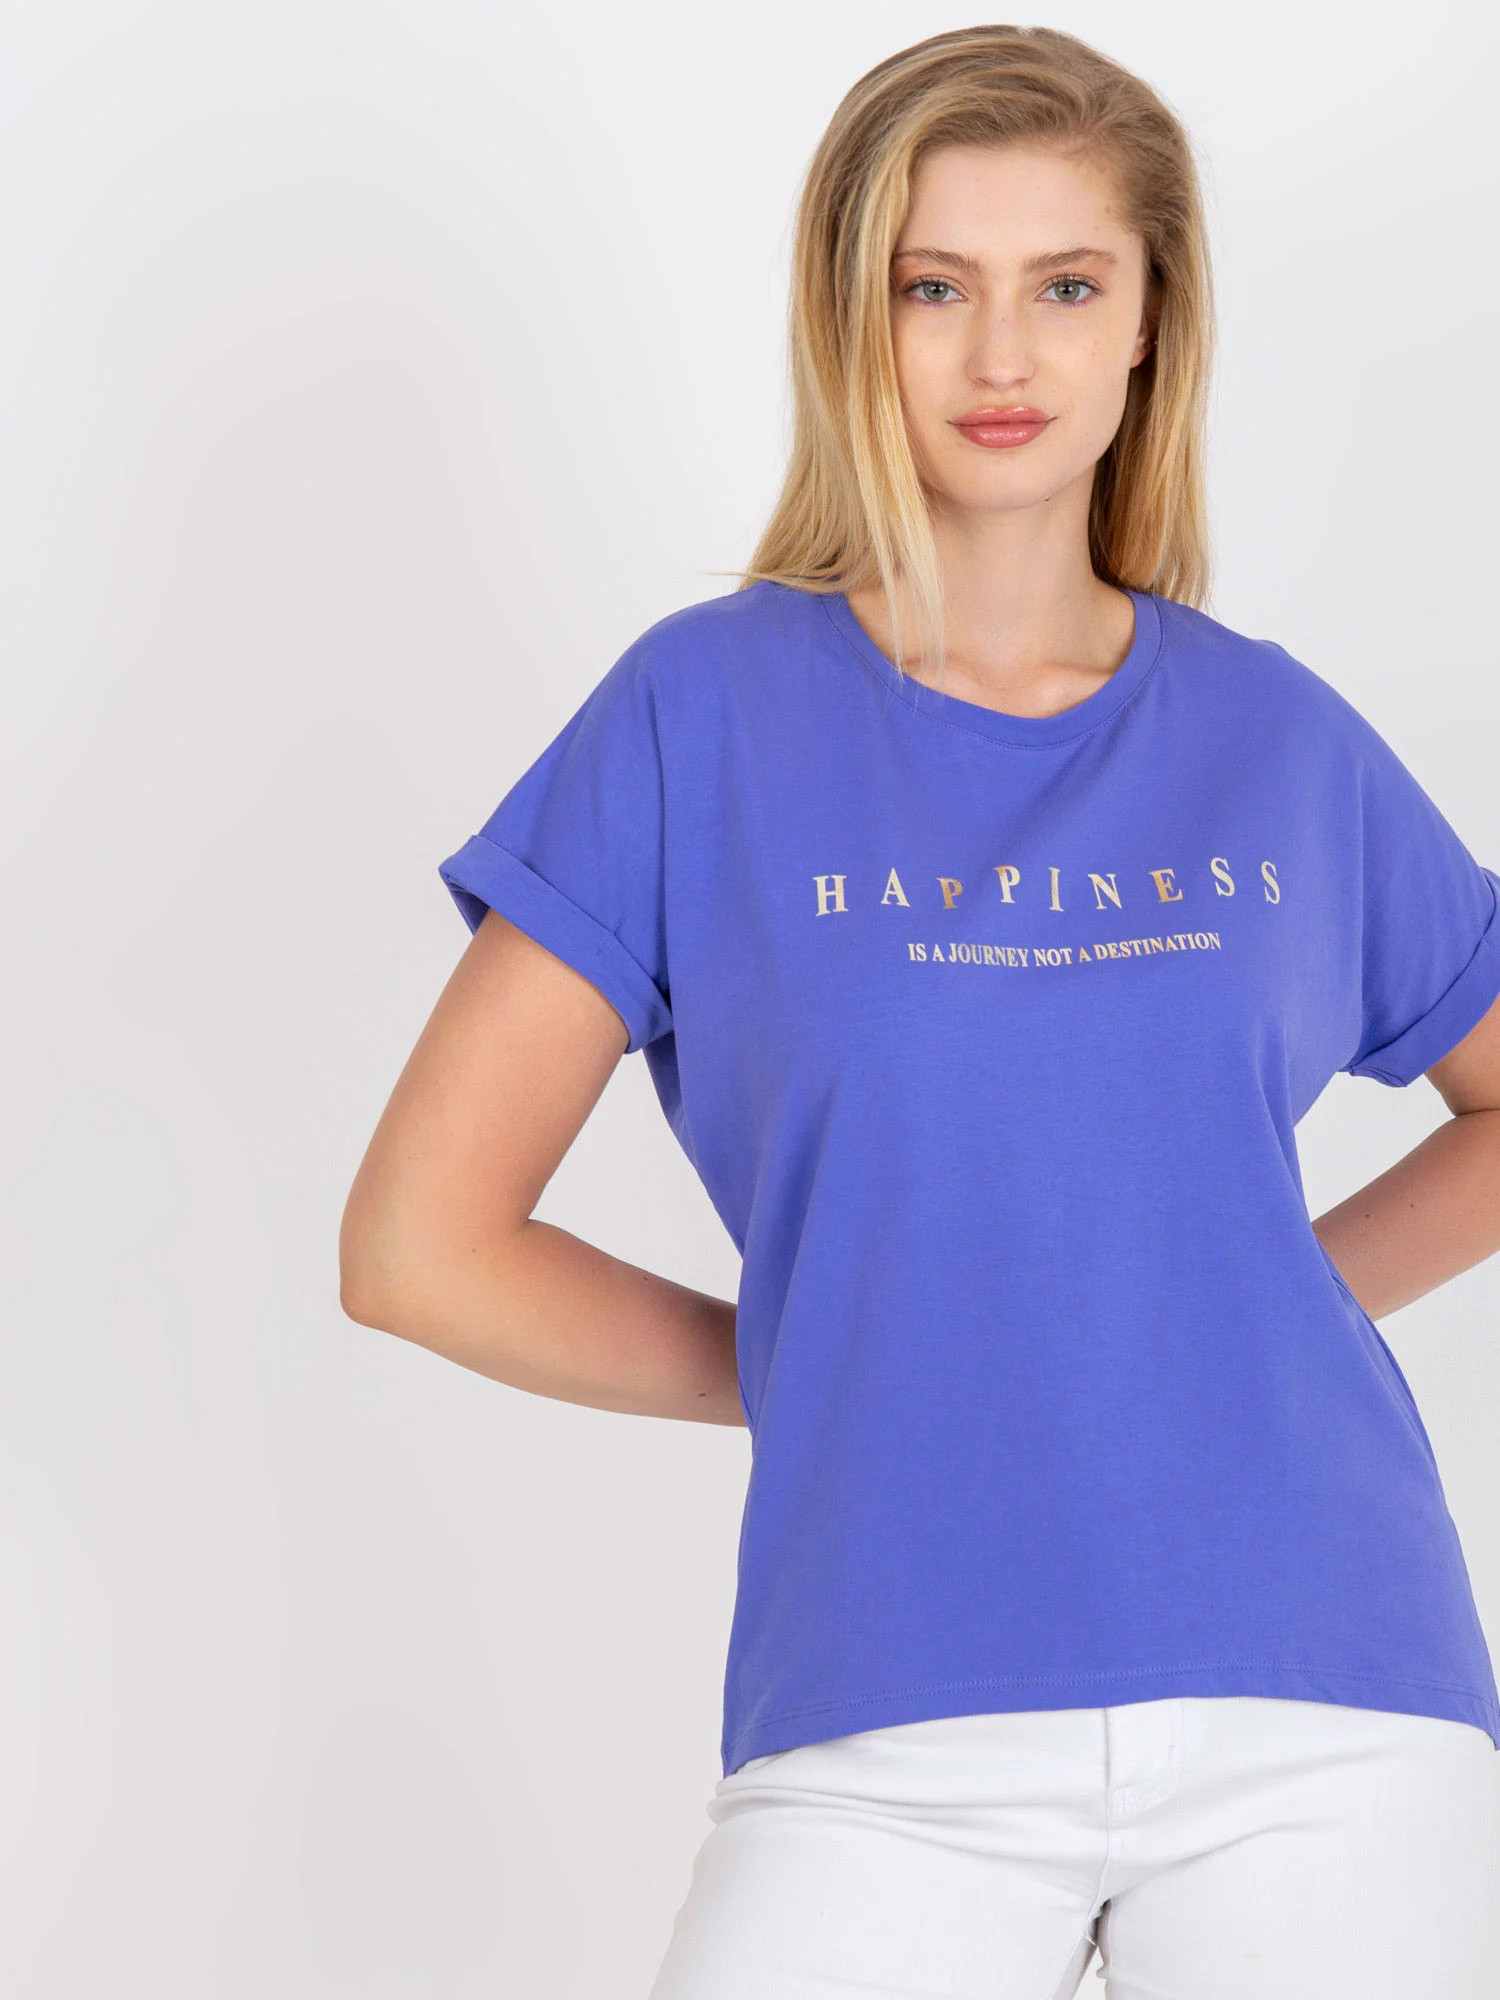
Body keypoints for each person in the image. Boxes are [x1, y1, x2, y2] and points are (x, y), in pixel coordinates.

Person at [339, 24, 1500, 1998]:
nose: (1003, 356)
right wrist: (856, 1353)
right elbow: (417, 1247)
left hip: (1329, 1689)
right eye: (934, 288)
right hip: (887, 1707)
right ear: (850, 318)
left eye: (1070, 286)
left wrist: (1243, 1302)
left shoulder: (1279, 739)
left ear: (1151, 324)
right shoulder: (698, 715)